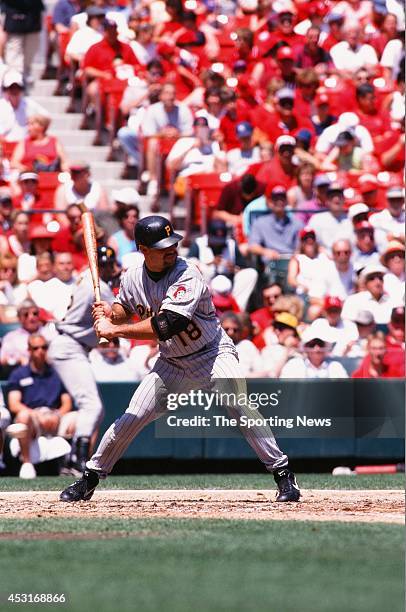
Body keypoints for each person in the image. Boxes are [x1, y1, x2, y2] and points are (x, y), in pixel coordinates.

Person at [60, 216, 301, 503]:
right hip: (172, 362)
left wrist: (115, 330)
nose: (172, 249)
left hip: (212, 353)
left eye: (172, 243)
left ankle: (283, 474)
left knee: (238, 404)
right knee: (130, 419)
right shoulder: (132, 276)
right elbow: (125, 307)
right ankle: (90, 477)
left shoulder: (188, 273)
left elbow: (166, 324)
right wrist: (109, 314)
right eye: (162, 246)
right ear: (143, 249)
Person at [47, 246, 116, 474]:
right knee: (92, 406)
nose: (108, 269)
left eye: (109, 264)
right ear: (98, 267)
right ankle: (76, 460)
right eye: (104, 265)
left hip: (71, 345)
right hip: (69, 345)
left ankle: (71, 460)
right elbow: (119, 314)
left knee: (95, 409)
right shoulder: (98, 287)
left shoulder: (86, 280)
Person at [7, 333, 74, 479]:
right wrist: (37, 415)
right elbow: (14, 404)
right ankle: (27, 464)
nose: (40, 351)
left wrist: (57, 415)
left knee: (82, 417)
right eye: (36, 348)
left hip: (54, 415)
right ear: (29, 350)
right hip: (33, 417)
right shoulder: (19, 374)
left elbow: (67, 403)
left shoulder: (57, 372)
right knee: (23, 417)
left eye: (44, 347)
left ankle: (76, 464)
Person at [248, 185, 302, 264]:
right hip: (271, 263)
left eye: (282, 198)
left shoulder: (297, 223)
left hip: (292, 262)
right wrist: (265, 251)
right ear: (270, 202)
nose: (279, 202)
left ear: (287, 201)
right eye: (275, 199)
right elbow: (252, 246)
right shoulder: (260, 223)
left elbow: (300, 247)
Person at [280, 322, 349, 379]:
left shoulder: (335, 367)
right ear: (305, 346)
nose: (317, 349)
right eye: (312, 345)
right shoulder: (294, 365)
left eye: (320, 344)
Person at [2, 0, 45, 84]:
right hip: (13, 13)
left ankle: (26, 72)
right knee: (14, 49)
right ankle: (14, 77)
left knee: (31, 48)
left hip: (33, 15)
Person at [0, 69, 49, 142]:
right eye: (11, 88)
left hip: (24, 146)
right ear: (6, 89)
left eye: (17, 87)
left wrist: (34, 124)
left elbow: (47, 117)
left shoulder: (29, 104)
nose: (14, 91)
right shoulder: (2, 106)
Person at [0, 299, 45, 372]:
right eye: (26, 314)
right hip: (21, 375)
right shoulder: (11, 337)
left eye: (35, 313)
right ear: (19, 317)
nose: (31, 317)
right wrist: (17, 360)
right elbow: (2, 359)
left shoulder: (49, 333)